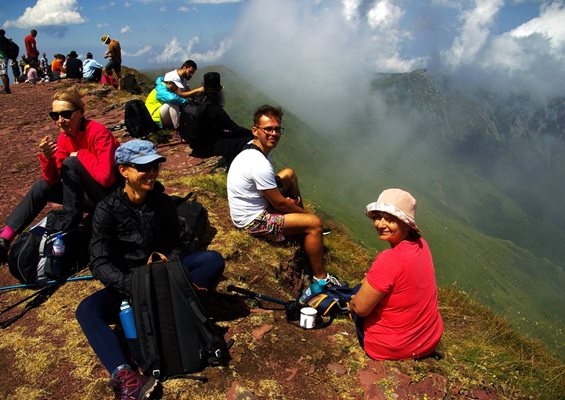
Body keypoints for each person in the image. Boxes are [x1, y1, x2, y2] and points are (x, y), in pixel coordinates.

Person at [76, 139, 225, 399]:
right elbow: (98, 261)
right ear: (124, 170)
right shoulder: (106, 210)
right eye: (144, 167)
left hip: (165, 276)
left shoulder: (162, 203)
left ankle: (185, 302)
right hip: (130, 285)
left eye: (155, 166)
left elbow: (176, 245)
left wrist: (166, 263)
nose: (152, 173)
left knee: (212, 260)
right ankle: (125, 375)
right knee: (87, 311)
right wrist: (130, 286)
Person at [0, 88, 119, 264]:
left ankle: (69, 230)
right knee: (42, 186)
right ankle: (2, 242)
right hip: (85, 195)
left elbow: (107, 178)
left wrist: (79, 155)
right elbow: (54, 180)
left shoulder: (98, 133)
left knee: (71, 162)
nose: (60, 121)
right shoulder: (64, 138)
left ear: (81, 112)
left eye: (66, 114)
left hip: (109, 196)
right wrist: (47, 158)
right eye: (55, 116)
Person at [226, 104, 338, 287]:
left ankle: (301, 225)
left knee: (289, 174)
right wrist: (307, 216)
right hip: (252, 221)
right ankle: (321, 279)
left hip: (250, 206)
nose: (274, 134)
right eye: (268, 129)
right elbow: (280, 205)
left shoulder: (254, 149)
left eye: (277, 129)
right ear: (255, 131)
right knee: (315, 223)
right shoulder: (258, 163)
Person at [349, 188, 443, 360]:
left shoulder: (390, 259)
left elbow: (361, 309)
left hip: (391, 347)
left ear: (406, 224)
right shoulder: (422, 245)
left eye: (390, 219)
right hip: (429, 339)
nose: (380, 224)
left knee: (356, 293)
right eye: (378, 217)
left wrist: (352, 303)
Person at [184, 72, 253, 167]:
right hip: (208, 147)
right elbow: (234, 128)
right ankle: (235, 167)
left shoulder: (198, 101)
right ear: (218, 90)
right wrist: (253, 133)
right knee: (248, 140)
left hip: (196, 144)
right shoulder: (215, 109)